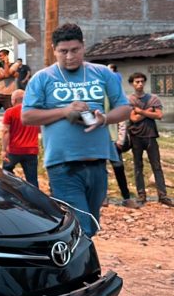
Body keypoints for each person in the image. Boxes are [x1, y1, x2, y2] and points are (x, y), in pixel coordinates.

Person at [22, 23, 131, 237]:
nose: (69, 56)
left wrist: (104, 119)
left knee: (91, 224)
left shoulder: (101, 73)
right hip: (63, 165)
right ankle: (83, 269)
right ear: (54, 50)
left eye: (75, 50)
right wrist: (65, 111)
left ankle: (76, 266)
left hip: (98, 161)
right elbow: (27, 116)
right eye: (63, 51)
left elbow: (125, 109)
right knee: (81, 226)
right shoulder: (43, 78)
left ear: (83, 47)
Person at [127, 72, 173, 207]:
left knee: (157, 166)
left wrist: (140, 111)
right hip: (136, 136)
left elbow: (159, 115)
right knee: (138, 167)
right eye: (137, 82)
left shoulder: (153, 98)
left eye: (142, 81)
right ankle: (141, 196)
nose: (140, 84)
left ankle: (163, 196)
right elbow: (133, 118)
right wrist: (149, 111)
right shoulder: (129, 100)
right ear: (132, 83)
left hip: (151, 136)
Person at [1, 89, 40, 187]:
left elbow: (5, 131)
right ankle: (34, 199)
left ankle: (13, 190)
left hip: (14, 150)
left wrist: (3, 150)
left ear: (13, 100)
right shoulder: (33, 112)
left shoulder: (10, 112)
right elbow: (39, 129)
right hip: (31, 150)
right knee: (32, 180)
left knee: (6, 173)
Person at [0, 49, 19, 139]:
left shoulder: (15, 64)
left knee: (12, 117)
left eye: (1, 55)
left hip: (8, 95)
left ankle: (13, 135)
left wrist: (6, 65)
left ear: (6, 56)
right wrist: (10, 74)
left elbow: (6, 74)